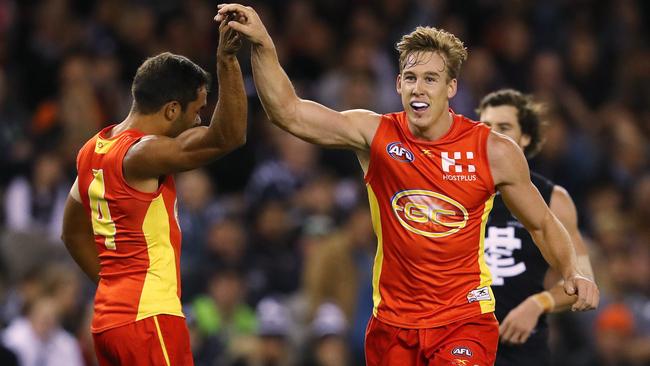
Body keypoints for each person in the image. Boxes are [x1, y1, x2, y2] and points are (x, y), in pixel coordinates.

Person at [217, 4, 599, 365]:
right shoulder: (375, 133)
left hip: (464, 321)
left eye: (431, 79)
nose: (419, 88)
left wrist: (572, 271)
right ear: (398, 82)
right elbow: (289, 112)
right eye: (411, 78)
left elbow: (542, 223)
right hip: (392, 327)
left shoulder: (493, 151)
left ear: (451, 87)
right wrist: (264, 46)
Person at [60, 14, 247, 366]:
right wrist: (227, 61)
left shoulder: (93, 150)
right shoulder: (144, 153)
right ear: (171, 109)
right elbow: (230, 135)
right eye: (197, 110)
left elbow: (71, 233)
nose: (199, 120)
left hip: (108, 321)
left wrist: (111, 285)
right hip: (149, 318)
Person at [477, 89, 595, 365]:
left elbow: (583, 282)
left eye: (504, 127)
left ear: (526, 138)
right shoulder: (452, 189)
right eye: (485, 127)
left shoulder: (553, 198)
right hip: (458, 341)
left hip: (521, 347)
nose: (492, 136)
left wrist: (538, 304)